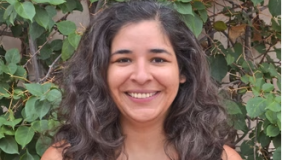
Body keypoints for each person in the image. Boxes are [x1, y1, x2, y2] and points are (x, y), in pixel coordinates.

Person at [41, 1, 242, 160]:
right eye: (123, 60)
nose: (141, 76)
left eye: (158, 59)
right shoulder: (63, 157)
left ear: (183, 71)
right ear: (100, 71)